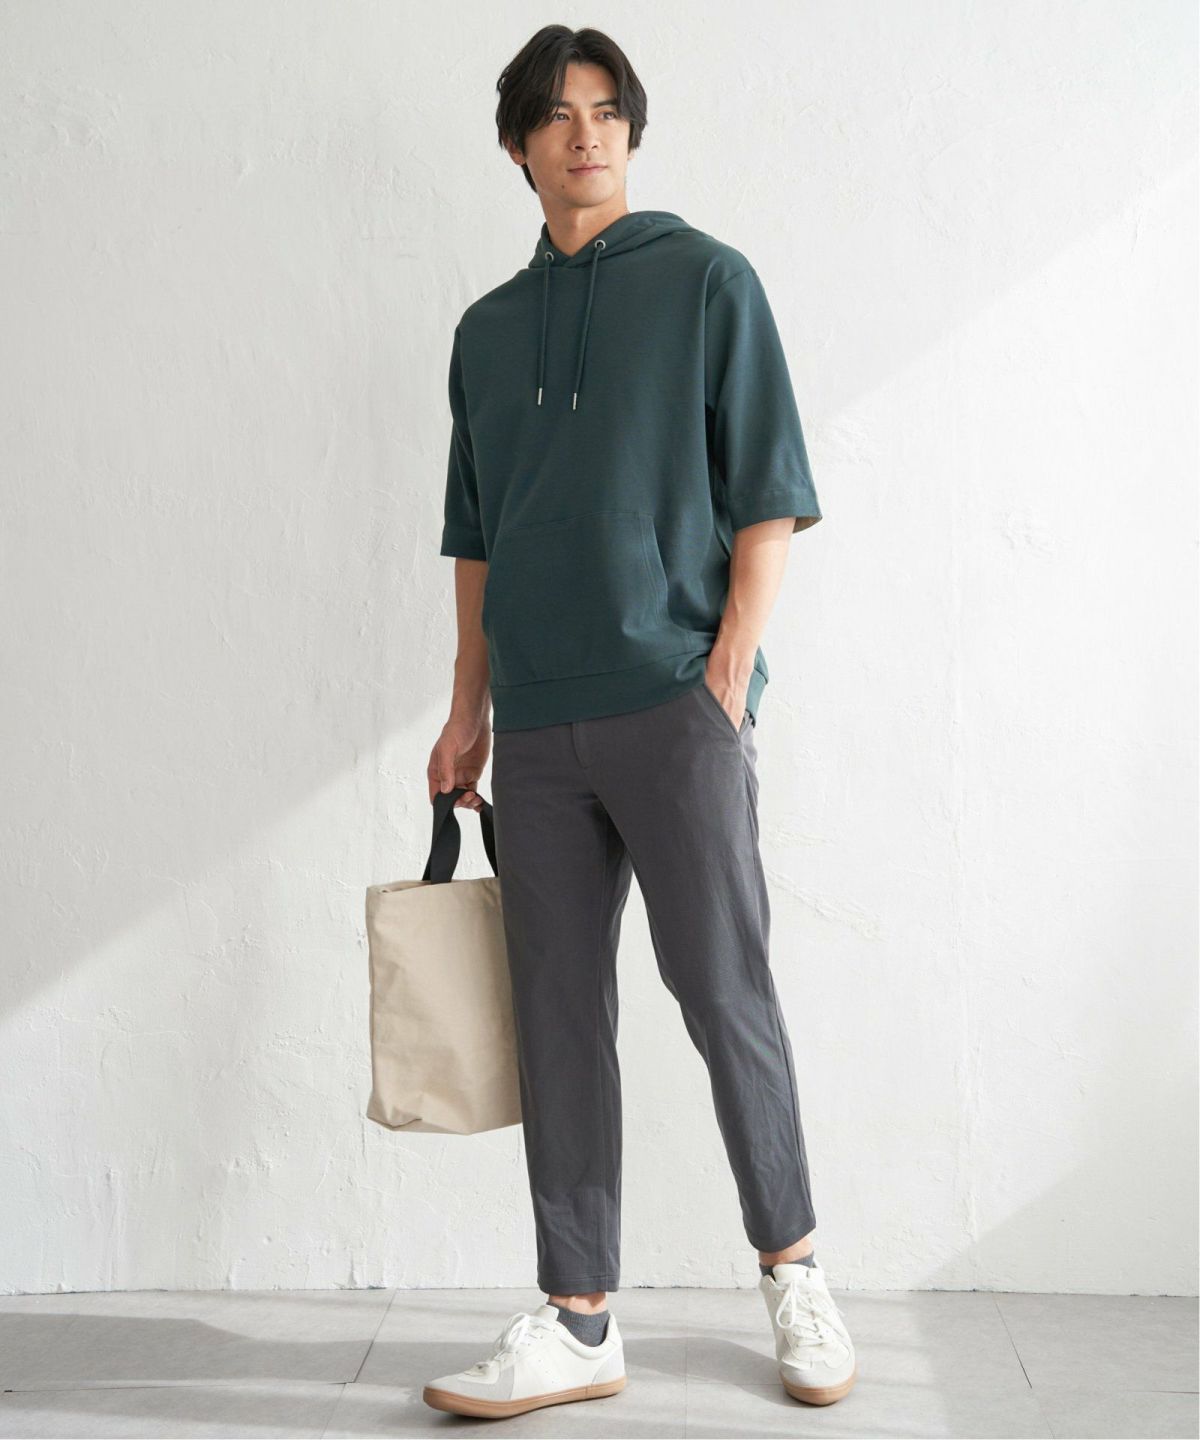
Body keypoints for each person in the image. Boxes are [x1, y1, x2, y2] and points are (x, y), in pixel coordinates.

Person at [422, 23, 856, 1421]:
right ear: (517, 144)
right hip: (538, 729)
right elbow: (477, 536)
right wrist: (468, 708)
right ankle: (579, 1317)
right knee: (558, 1018)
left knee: (725, 995)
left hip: (675, 706)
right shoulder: (486, 332)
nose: (586, 133)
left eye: (607, 109)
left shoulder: (708, 281)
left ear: (631, 129)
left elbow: (769, 493)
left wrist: (726, 672)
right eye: (557, 114)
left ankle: (794, 1270)